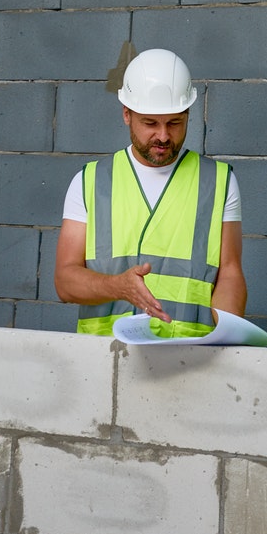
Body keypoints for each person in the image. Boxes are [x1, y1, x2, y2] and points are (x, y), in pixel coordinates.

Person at [54, 48, 247, 336]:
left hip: (191, 358)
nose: (163, 136)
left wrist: (227, 336)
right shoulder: (90, 181)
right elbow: (65, 281)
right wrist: (118, 287)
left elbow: (229, 273)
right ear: (127, 115)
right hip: (104, 360)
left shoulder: (218, 181)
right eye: (150, 123)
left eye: (175, 123)